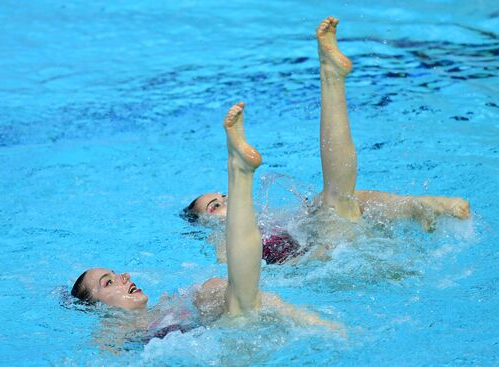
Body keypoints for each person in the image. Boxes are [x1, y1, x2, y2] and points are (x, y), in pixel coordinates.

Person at [183, 16, 471, 264]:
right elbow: (247, 282)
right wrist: (312, 258)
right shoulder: (222, 242)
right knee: (336, 200)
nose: (227, 200)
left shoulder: (277, 219)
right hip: (330, 264)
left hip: (349, 249)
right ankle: (331, 78)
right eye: (215, 206)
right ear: (205, 226)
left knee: (333, 198)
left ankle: (415, 206)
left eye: (224, 196)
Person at [71, 100, 345, 342]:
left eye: (115, 275)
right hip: (231, 344)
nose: (124, 276)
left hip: (240, 334)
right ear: (97, 308)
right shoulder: (113, 334)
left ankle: (240, 172)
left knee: (219, 288)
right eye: (108, 283)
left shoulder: (169, 305)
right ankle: (238, 172)